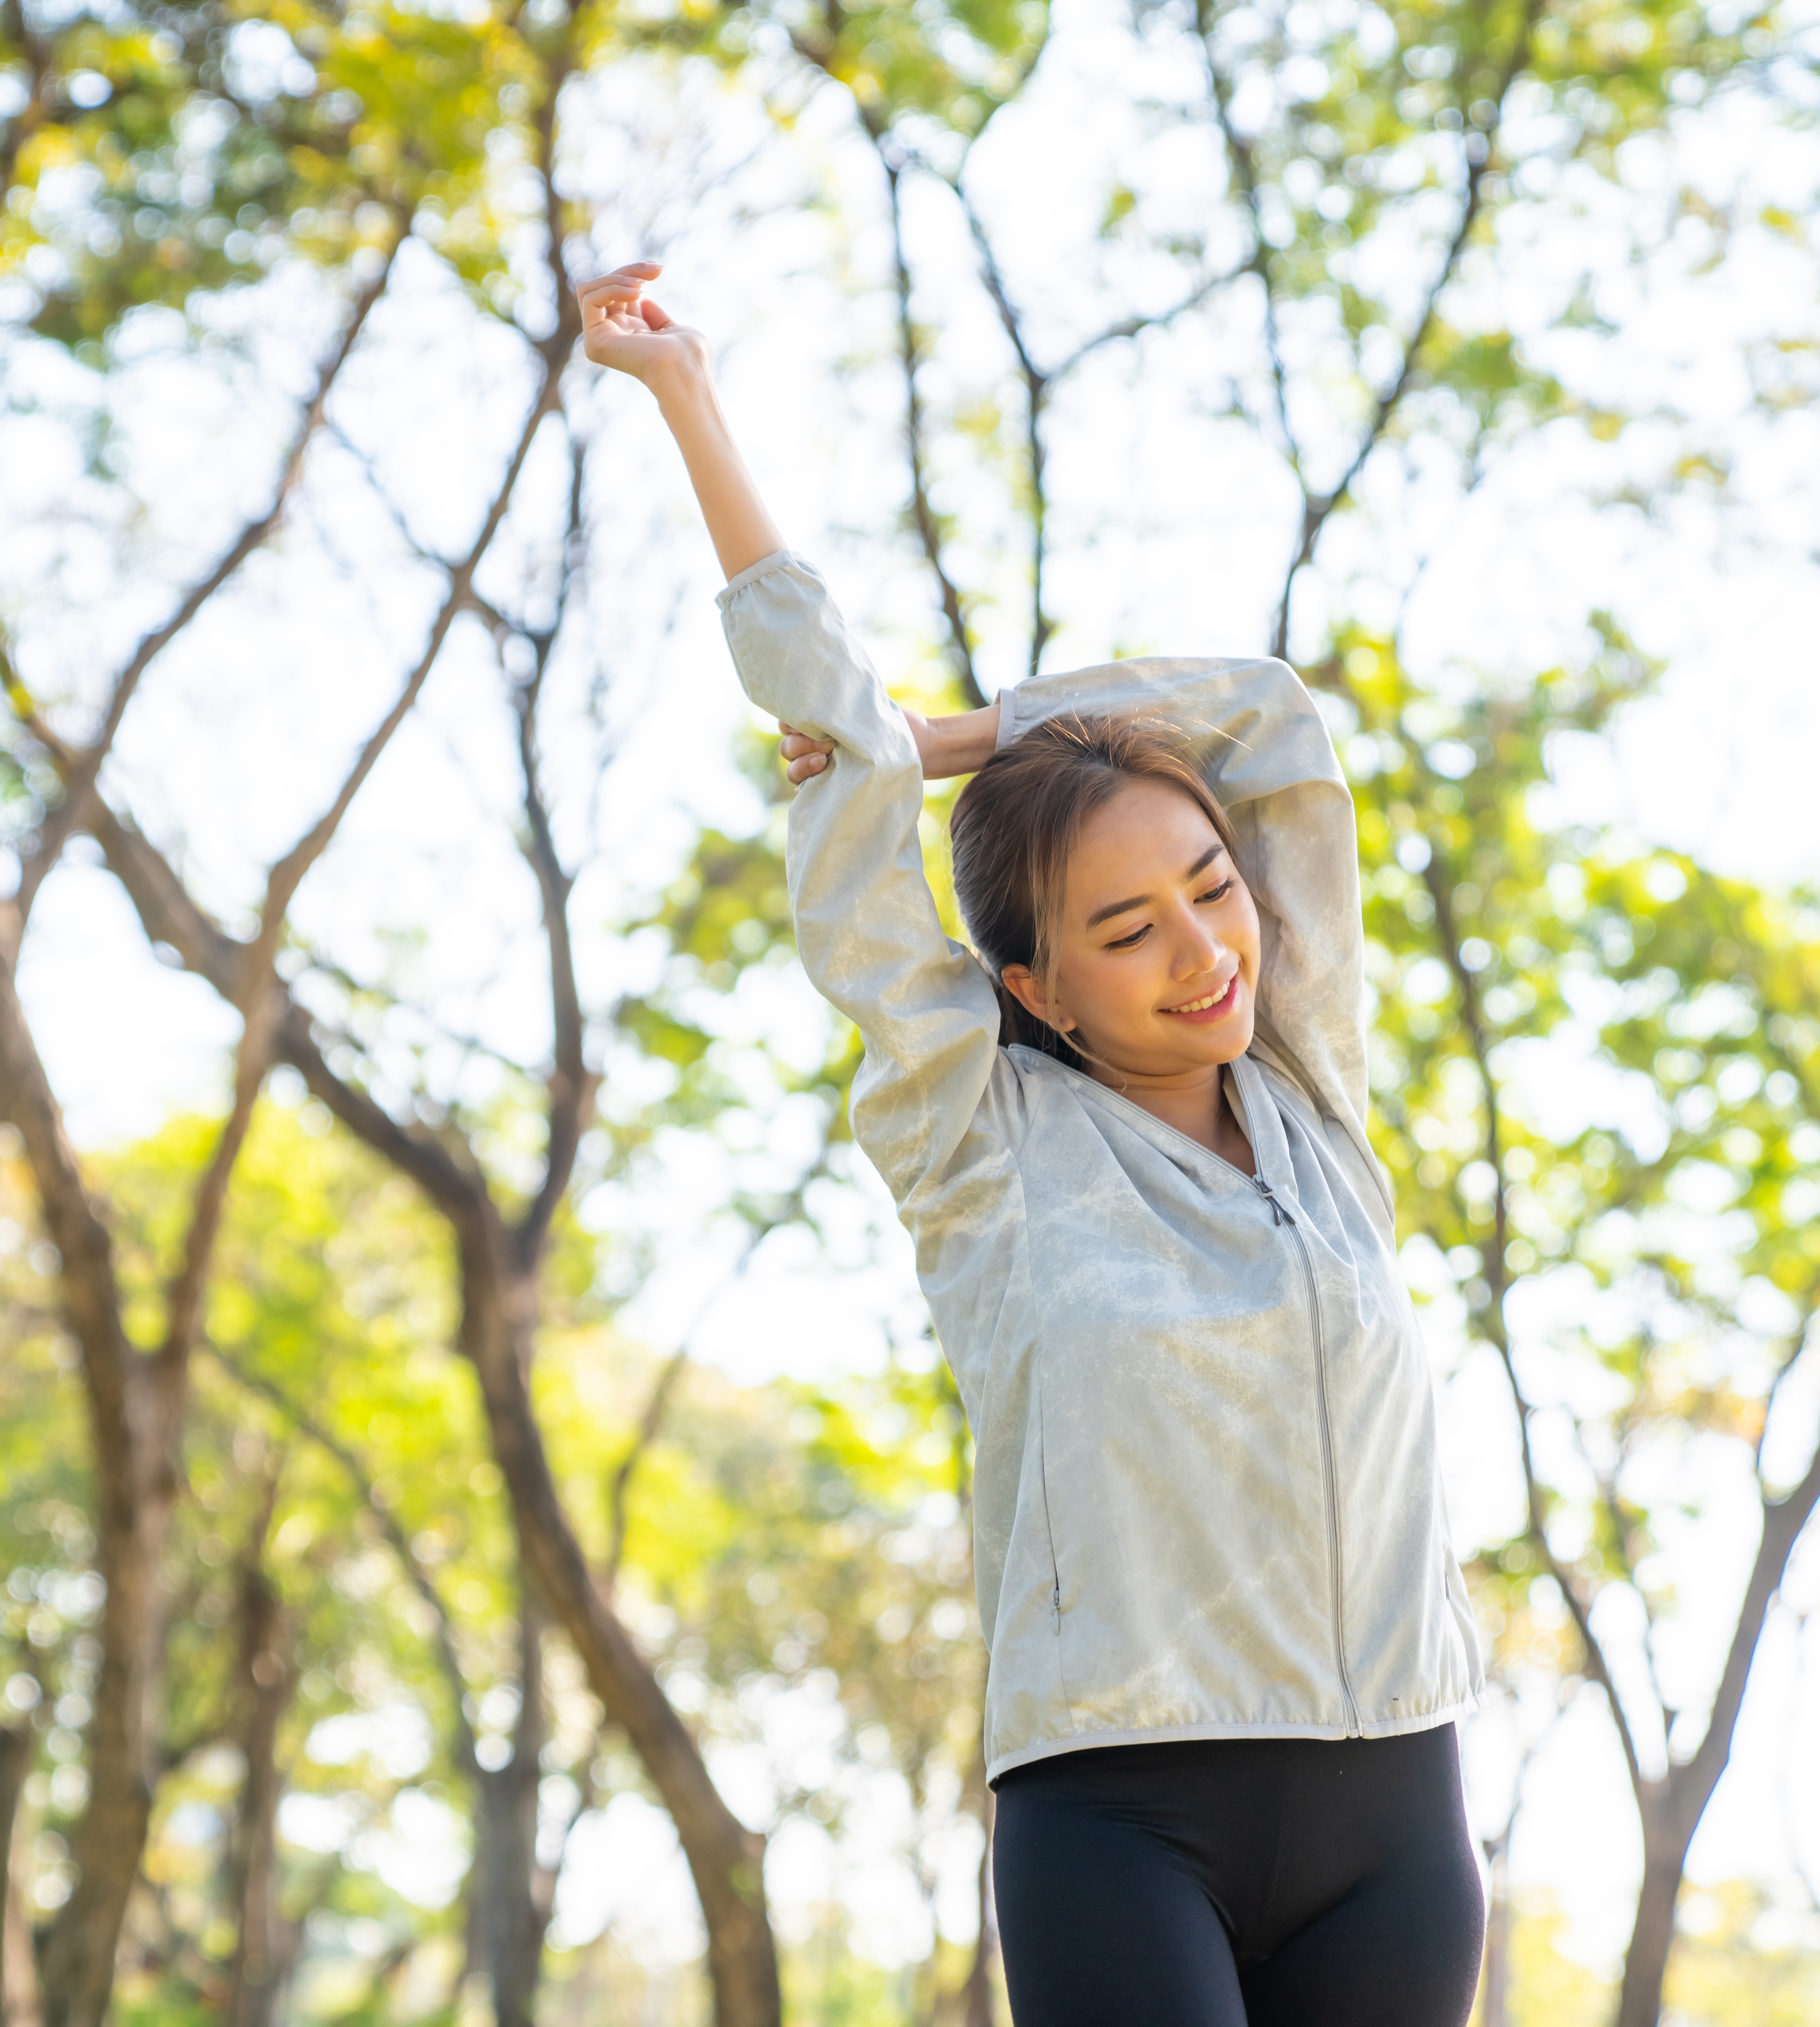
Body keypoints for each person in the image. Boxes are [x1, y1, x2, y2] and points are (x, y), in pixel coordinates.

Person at [579, 259, 1490, 2026]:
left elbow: (1267, 714)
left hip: (1395, 1801)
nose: (1204, 953)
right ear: (1034, 988)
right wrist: (690, 397)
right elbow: (846, 822)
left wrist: (960, 739)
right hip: (1117, 1815)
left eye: (1211, 888)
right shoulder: (978, 1146)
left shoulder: (1313, 1102)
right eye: (1128, 931)